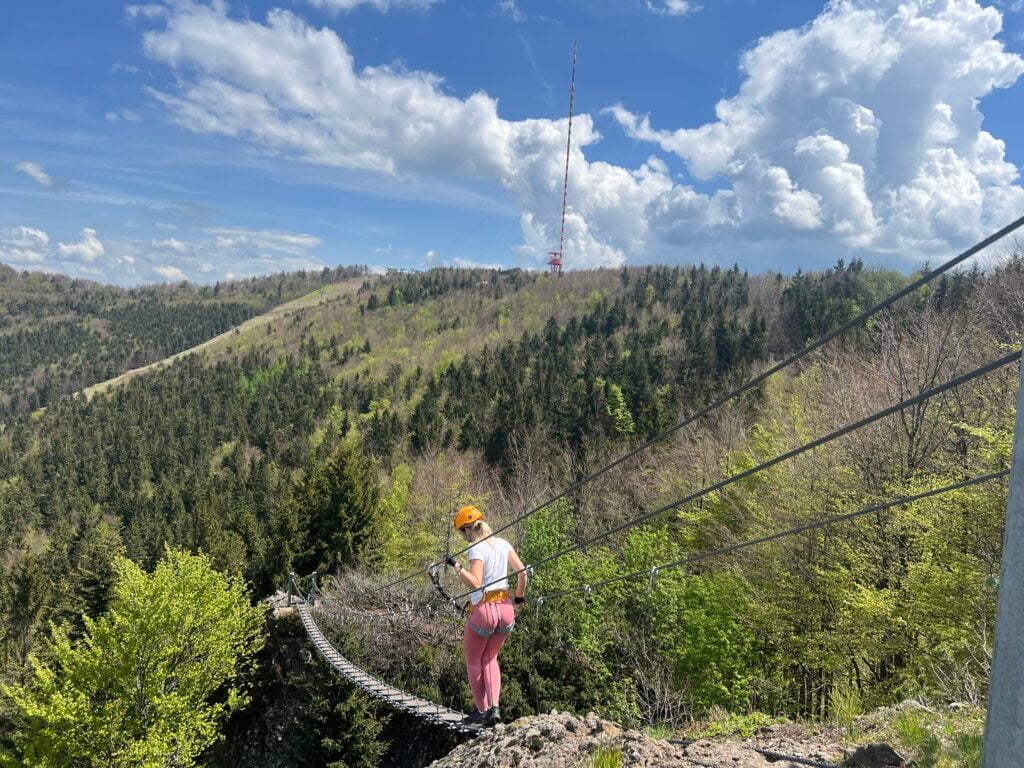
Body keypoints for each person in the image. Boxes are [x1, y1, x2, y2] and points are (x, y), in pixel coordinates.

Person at [445, 504, 527, 728]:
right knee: (490, 658)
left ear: (467, 530)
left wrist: (458, 567)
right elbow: (523, 573)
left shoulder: (476, 548)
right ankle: (495, 709)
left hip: (483, 611)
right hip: (506, 610)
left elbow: (476, 584)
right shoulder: (503, 543)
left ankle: (481, 711)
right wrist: (519, 598)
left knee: (474, 661)